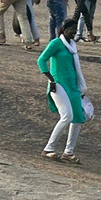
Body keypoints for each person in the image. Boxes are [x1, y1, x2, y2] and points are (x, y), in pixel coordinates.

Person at [36, 19, 88, 164]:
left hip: (72, 86)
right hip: (58, 84)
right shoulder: (56, 44)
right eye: (72, 29)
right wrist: (50, 78)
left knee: (78, 117)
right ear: (64, 29)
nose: (74, 33)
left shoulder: (72, 45)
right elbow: (41, 60)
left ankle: (68, 152)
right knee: (67, 115)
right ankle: (48, 148)